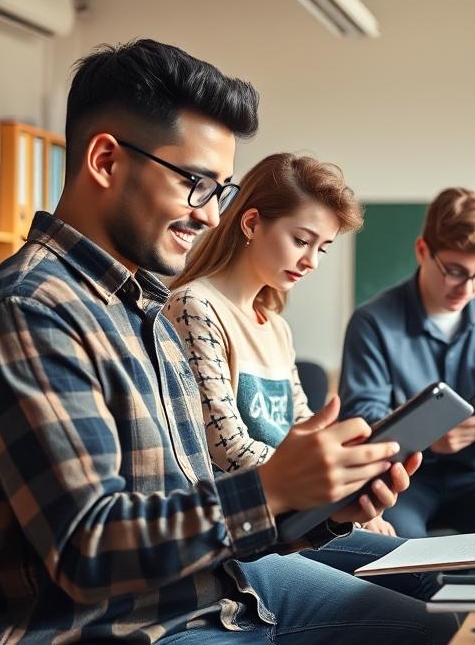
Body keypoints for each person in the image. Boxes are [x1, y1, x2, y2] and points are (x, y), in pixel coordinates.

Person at [0, 40, 445, 645]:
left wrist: (326, 506)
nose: (212, 214)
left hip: (219, 597)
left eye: (219, 189)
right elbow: (89, 549)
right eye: (197, 183)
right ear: (104, 160)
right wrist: (275, 486)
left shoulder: (144, 307)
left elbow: (199, 499)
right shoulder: (30, 311)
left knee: (449, 643)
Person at [162, 152, 449, 600]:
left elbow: (305, 428)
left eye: (323, 248)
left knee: (429, 574)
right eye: (302, 240)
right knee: (421, 586)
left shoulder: (274, 325)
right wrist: (327, 488)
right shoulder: (193, 307)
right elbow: (227, 451)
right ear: (252, 223)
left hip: (298, 519)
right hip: (246, 534)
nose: (312, 261)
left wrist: (350, 490)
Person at [339, 187, 475, 539]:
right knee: (402, 558)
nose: (468, 288)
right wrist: (427, 436)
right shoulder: (373, 322)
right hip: (402, 481)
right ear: (422, 250)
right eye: (455, 271)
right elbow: (361, 418)